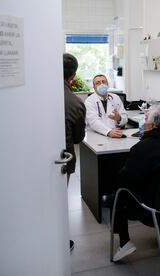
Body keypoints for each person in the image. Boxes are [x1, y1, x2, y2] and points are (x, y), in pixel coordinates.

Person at [111, 106, 160, 262]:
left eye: (145, 119)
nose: (143, 122)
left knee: (119, 191)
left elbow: (127, 178)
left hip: (148, 210)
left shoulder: (142, 148)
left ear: (153, 126)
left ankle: (124, 241)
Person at [63, 53, 86, 252]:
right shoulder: (76, 103)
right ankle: (60, 239)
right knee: (60, 199)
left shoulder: (38, 93)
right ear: (73, 77)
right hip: (65, 160)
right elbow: (78, 139)